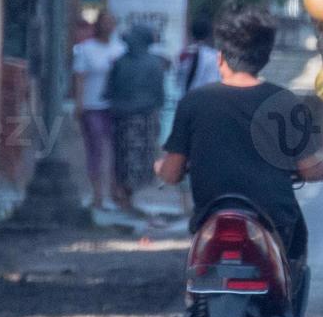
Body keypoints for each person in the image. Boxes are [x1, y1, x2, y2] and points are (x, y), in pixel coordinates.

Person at [155, 6, 323, 261]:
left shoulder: (194, 102)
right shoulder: (283, 101)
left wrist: (159, 167)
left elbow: (172, 172)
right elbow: (309, 167)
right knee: (295, 253)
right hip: (273, 220)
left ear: (221, 58)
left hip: (211, 218)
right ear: (266, 56)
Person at [106, 24, 168, 215]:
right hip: (143, 117)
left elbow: (109, 91)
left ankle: (125, 196)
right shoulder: (154, 63)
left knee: (124, 159)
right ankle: (125, 196)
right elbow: (160, 95)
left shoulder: (121, 62)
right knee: (134, 160)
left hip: (126, 117)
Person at [71, 11, 125, 209]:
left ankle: (115, 191)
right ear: (98, 25)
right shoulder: (85, 50)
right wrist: (79, 103)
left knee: (117, 151)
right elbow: (79, 77)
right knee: (95, 150)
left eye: (112, 22)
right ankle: (97, 194)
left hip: (115, 107)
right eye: (105, 22)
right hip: (92, 105)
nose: (108, 26)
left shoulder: (121, 49)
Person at [177, 14, 222, 93]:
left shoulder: (184, 53)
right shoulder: (214, 56)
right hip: (205, 98)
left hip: (185, 97)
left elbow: (178, 80)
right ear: (209, 35)